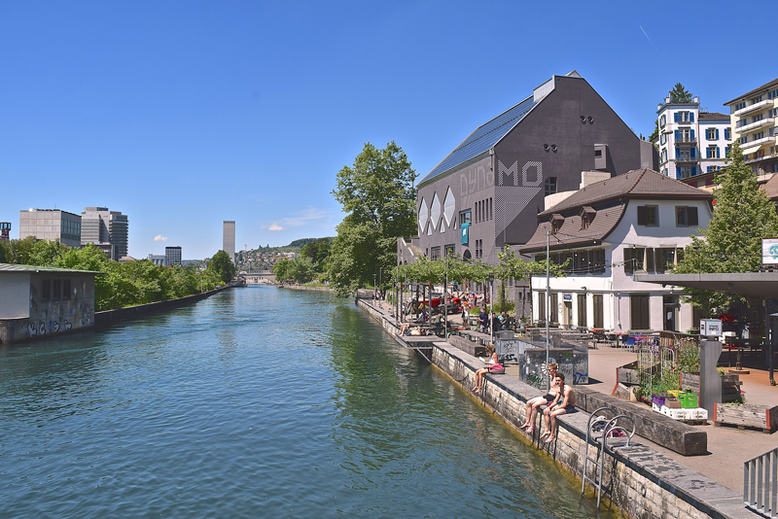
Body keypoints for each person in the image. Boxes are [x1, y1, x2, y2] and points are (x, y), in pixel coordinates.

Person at [519, 363, 558, 434]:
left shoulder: (557, 379)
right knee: (528, 403)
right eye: (547, 370)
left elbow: (559, 391)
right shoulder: (551, 377)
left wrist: (556, 401)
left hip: (551, 397)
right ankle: (527, 422)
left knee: (534, 406)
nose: (548, 371)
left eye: (549, 370)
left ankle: (532, 425)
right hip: (548, 395)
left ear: (554, 370)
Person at [540, 373, 576, 443]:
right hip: (564, 405)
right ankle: (547, 430)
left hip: (570, 407)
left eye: (559, 380)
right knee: (545, 411)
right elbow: (556, 401)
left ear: (563, 381)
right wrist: (550, 407)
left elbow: (565, 404)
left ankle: (552, 434)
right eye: (556, 380)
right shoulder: (559, 388)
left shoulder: (567, 390)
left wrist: (555, 409)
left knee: (552, 414)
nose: (557, 382)